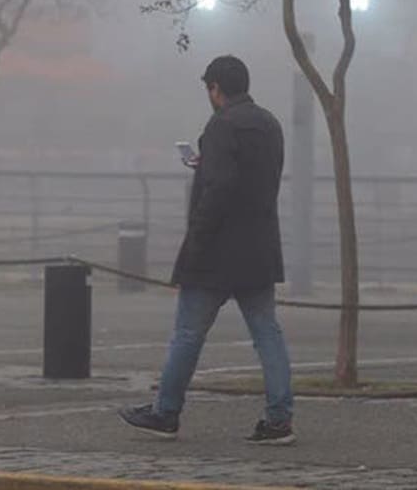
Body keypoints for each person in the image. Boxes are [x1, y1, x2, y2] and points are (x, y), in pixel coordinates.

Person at [119, 55, 295, 445]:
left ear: (216, 89)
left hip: (217, 253)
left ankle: (166, 412)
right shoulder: (270, 124)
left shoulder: (220, 126)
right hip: (259, 248)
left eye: (209, 88)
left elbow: (218, 192)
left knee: (187, 334)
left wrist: (193, 248)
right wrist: (210, 165)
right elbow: (255, 179)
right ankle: (279, 419)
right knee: (268, 334)